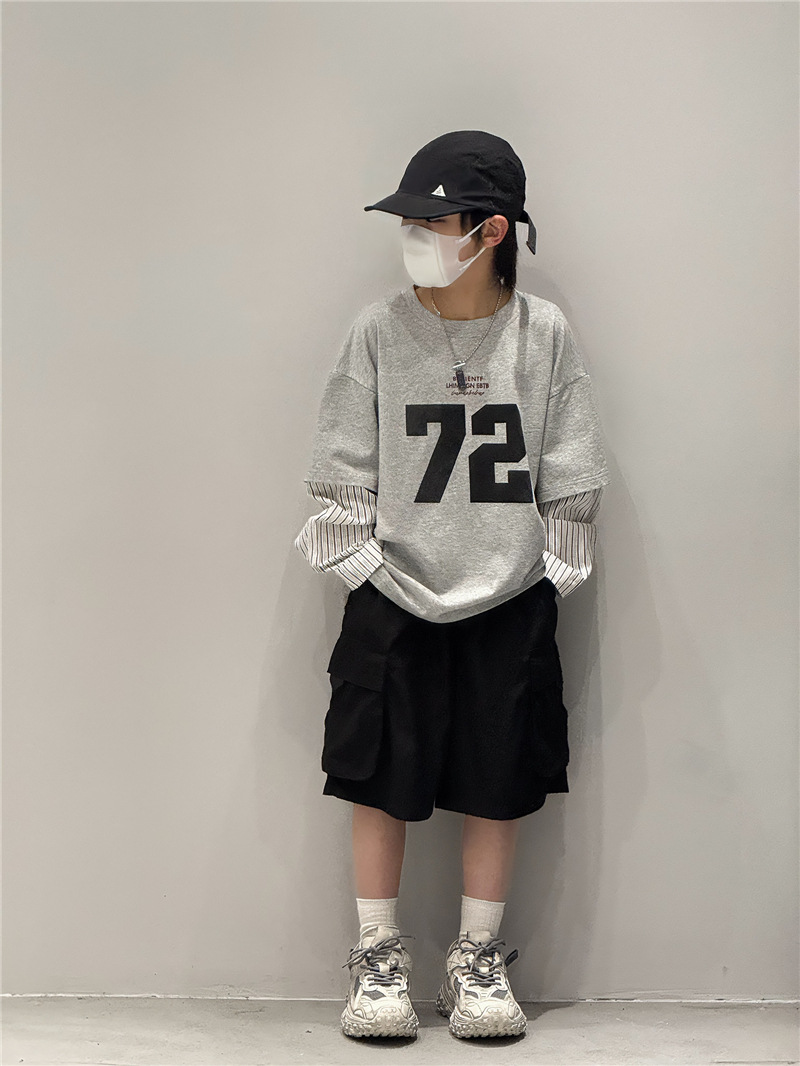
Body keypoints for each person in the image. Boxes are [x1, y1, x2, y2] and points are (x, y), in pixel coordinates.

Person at [294, 130, 610, 1041]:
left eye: (432, 222)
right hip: (390, 595)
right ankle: (377, 956)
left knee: (496, 776)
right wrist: (365, 568)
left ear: (491, 230)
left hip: (509, 602)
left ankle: (477, 960)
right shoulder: (379, 330)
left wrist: (542, 575)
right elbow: (341, 467)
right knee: (376, 775)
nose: (416, 238)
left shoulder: (542, 334)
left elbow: (571, 471)